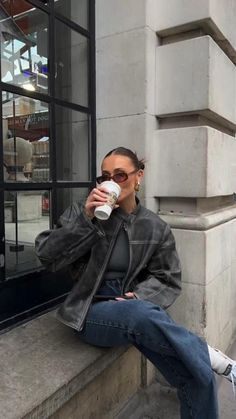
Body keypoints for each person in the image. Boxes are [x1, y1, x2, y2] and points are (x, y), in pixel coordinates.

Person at [35, 147, 236, 419]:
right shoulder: (82, 211)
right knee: (144, 317)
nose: (111, 182)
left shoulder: (154, 226)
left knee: (197, 375)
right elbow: (47, 256)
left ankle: (205, 361)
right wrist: (85, 220)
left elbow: (168, 278)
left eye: (120, 175)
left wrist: (139, 296)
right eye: (105, 176)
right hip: (90, 310)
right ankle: (210, 355)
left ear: (138, 177)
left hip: (134, 310)